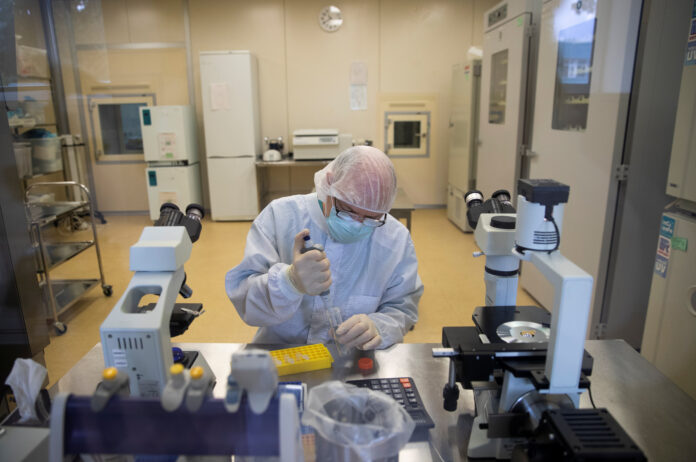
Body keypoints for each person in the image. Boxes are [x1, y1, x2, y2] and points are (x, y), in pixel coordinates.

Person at [225, 146, 423, 350]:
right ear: (329, 185)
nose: (357, 223)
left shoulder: (396, 239)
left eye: (371, 218)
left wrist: (380, 327)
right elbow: (245, 302)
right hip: (282, 353)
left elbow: (403, 307)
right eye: (348, 211)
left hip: (352, 360)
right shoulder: (281, 217)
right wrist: (289, 281)